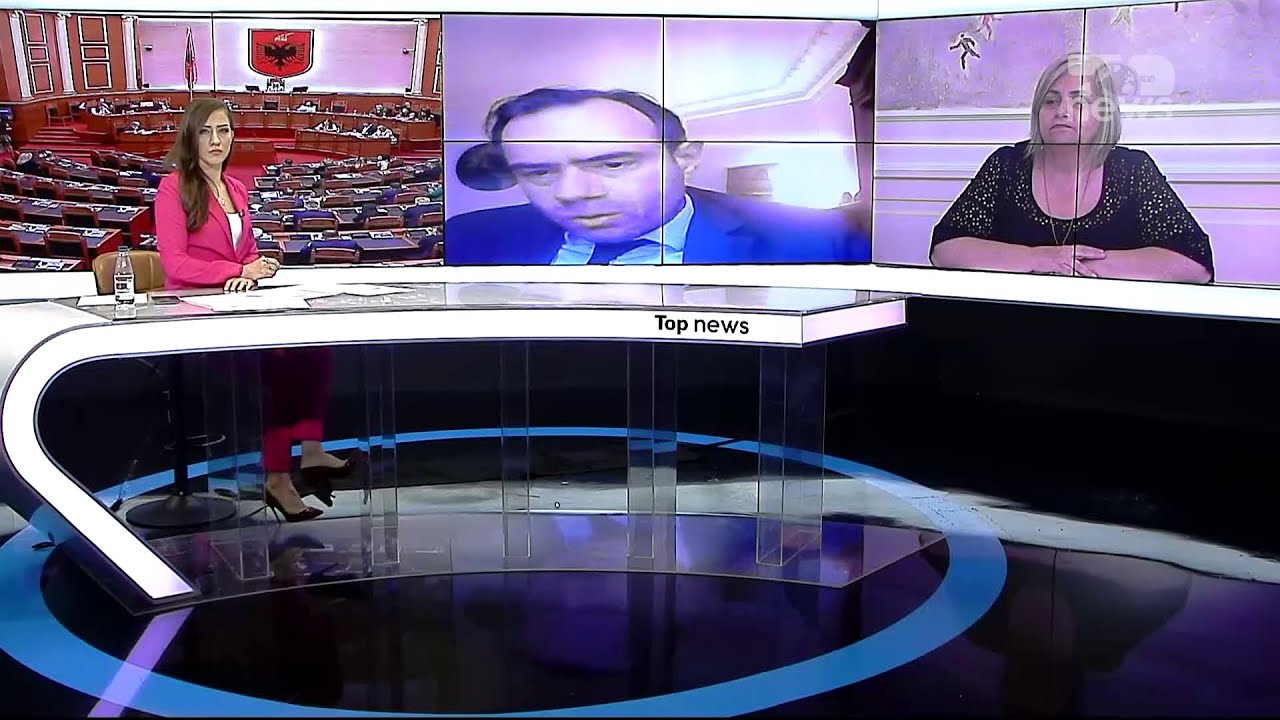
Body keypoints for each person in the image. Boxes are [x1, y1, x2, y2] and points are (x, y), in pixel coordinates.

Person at [153, 98, 359, 522]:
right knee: (280, 367)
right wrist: (236, 270)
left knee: (315, 347)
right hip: (193, 314)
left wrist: (258, 264)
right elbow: (175, 264)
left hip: (237, 305)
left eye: (223, 130)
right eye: (206, 131)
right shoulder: (173, 188)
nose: (216, 140)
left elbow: (243, 250)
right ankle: (277, 476)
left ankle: (312, 450)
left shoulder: (237, 189)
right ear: (191, 137)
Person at [444, 87, 867, 265]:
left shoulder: (818, 241)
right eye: (539, 172)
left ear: (686, 158)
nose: (572, 193)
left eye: (612, 164)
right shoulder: (464, 238)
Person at [930, 54, 1213, 283]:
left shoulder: (1133, 170)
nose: (1062, 111)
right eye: (1051, 101)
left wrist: (1078, 265)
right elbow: (946, 248)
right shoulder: (1006, 165)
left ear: (1104, 114)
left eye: (1079, 102)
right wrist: (1038, 258)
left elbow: (1194, 262)